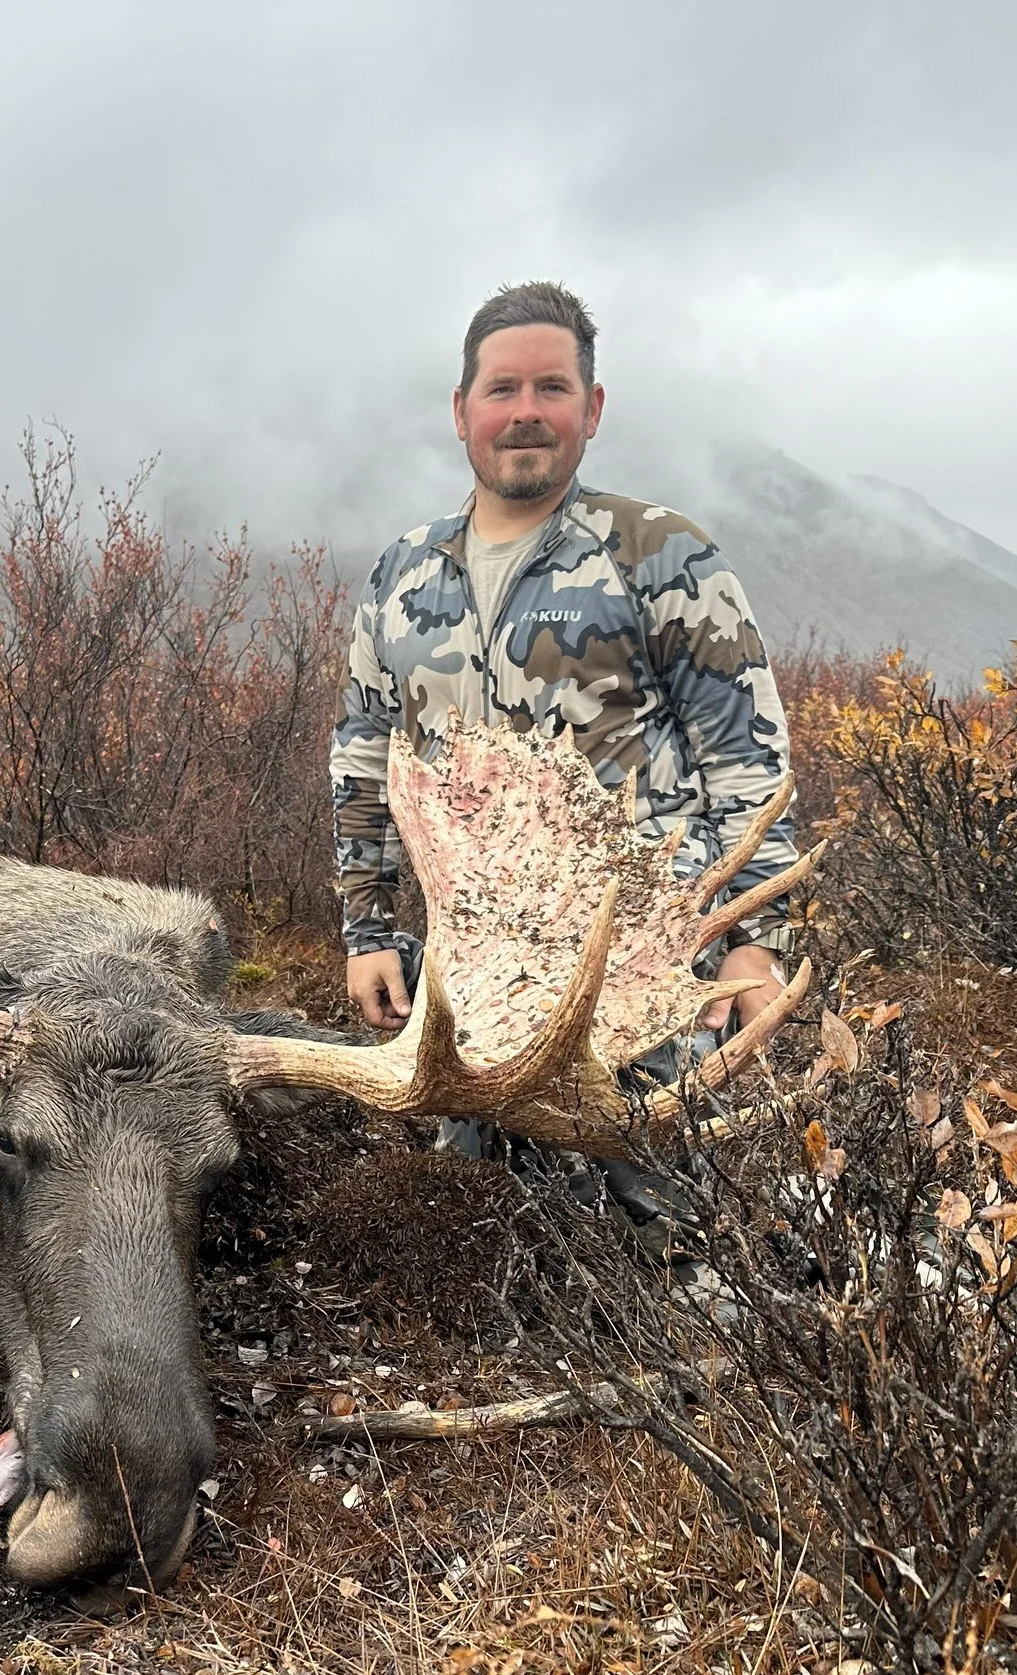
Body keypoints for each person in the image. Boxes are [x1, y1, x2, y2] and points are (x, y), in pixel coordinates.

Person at [331, 281, 798, 1156]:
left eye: (553, 389)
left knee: (669, 1257)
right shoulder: (401, 574)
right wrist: (369, 931)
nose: (526, 413)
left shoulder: (658, 552)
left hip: (647, 997)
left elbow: (746, 763)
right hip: (472, 1001)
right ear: (460, 409)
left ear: (593, 407)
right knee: (489, 1251)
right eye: (501, 390)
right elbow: (364, 756)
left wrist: (756, 943)